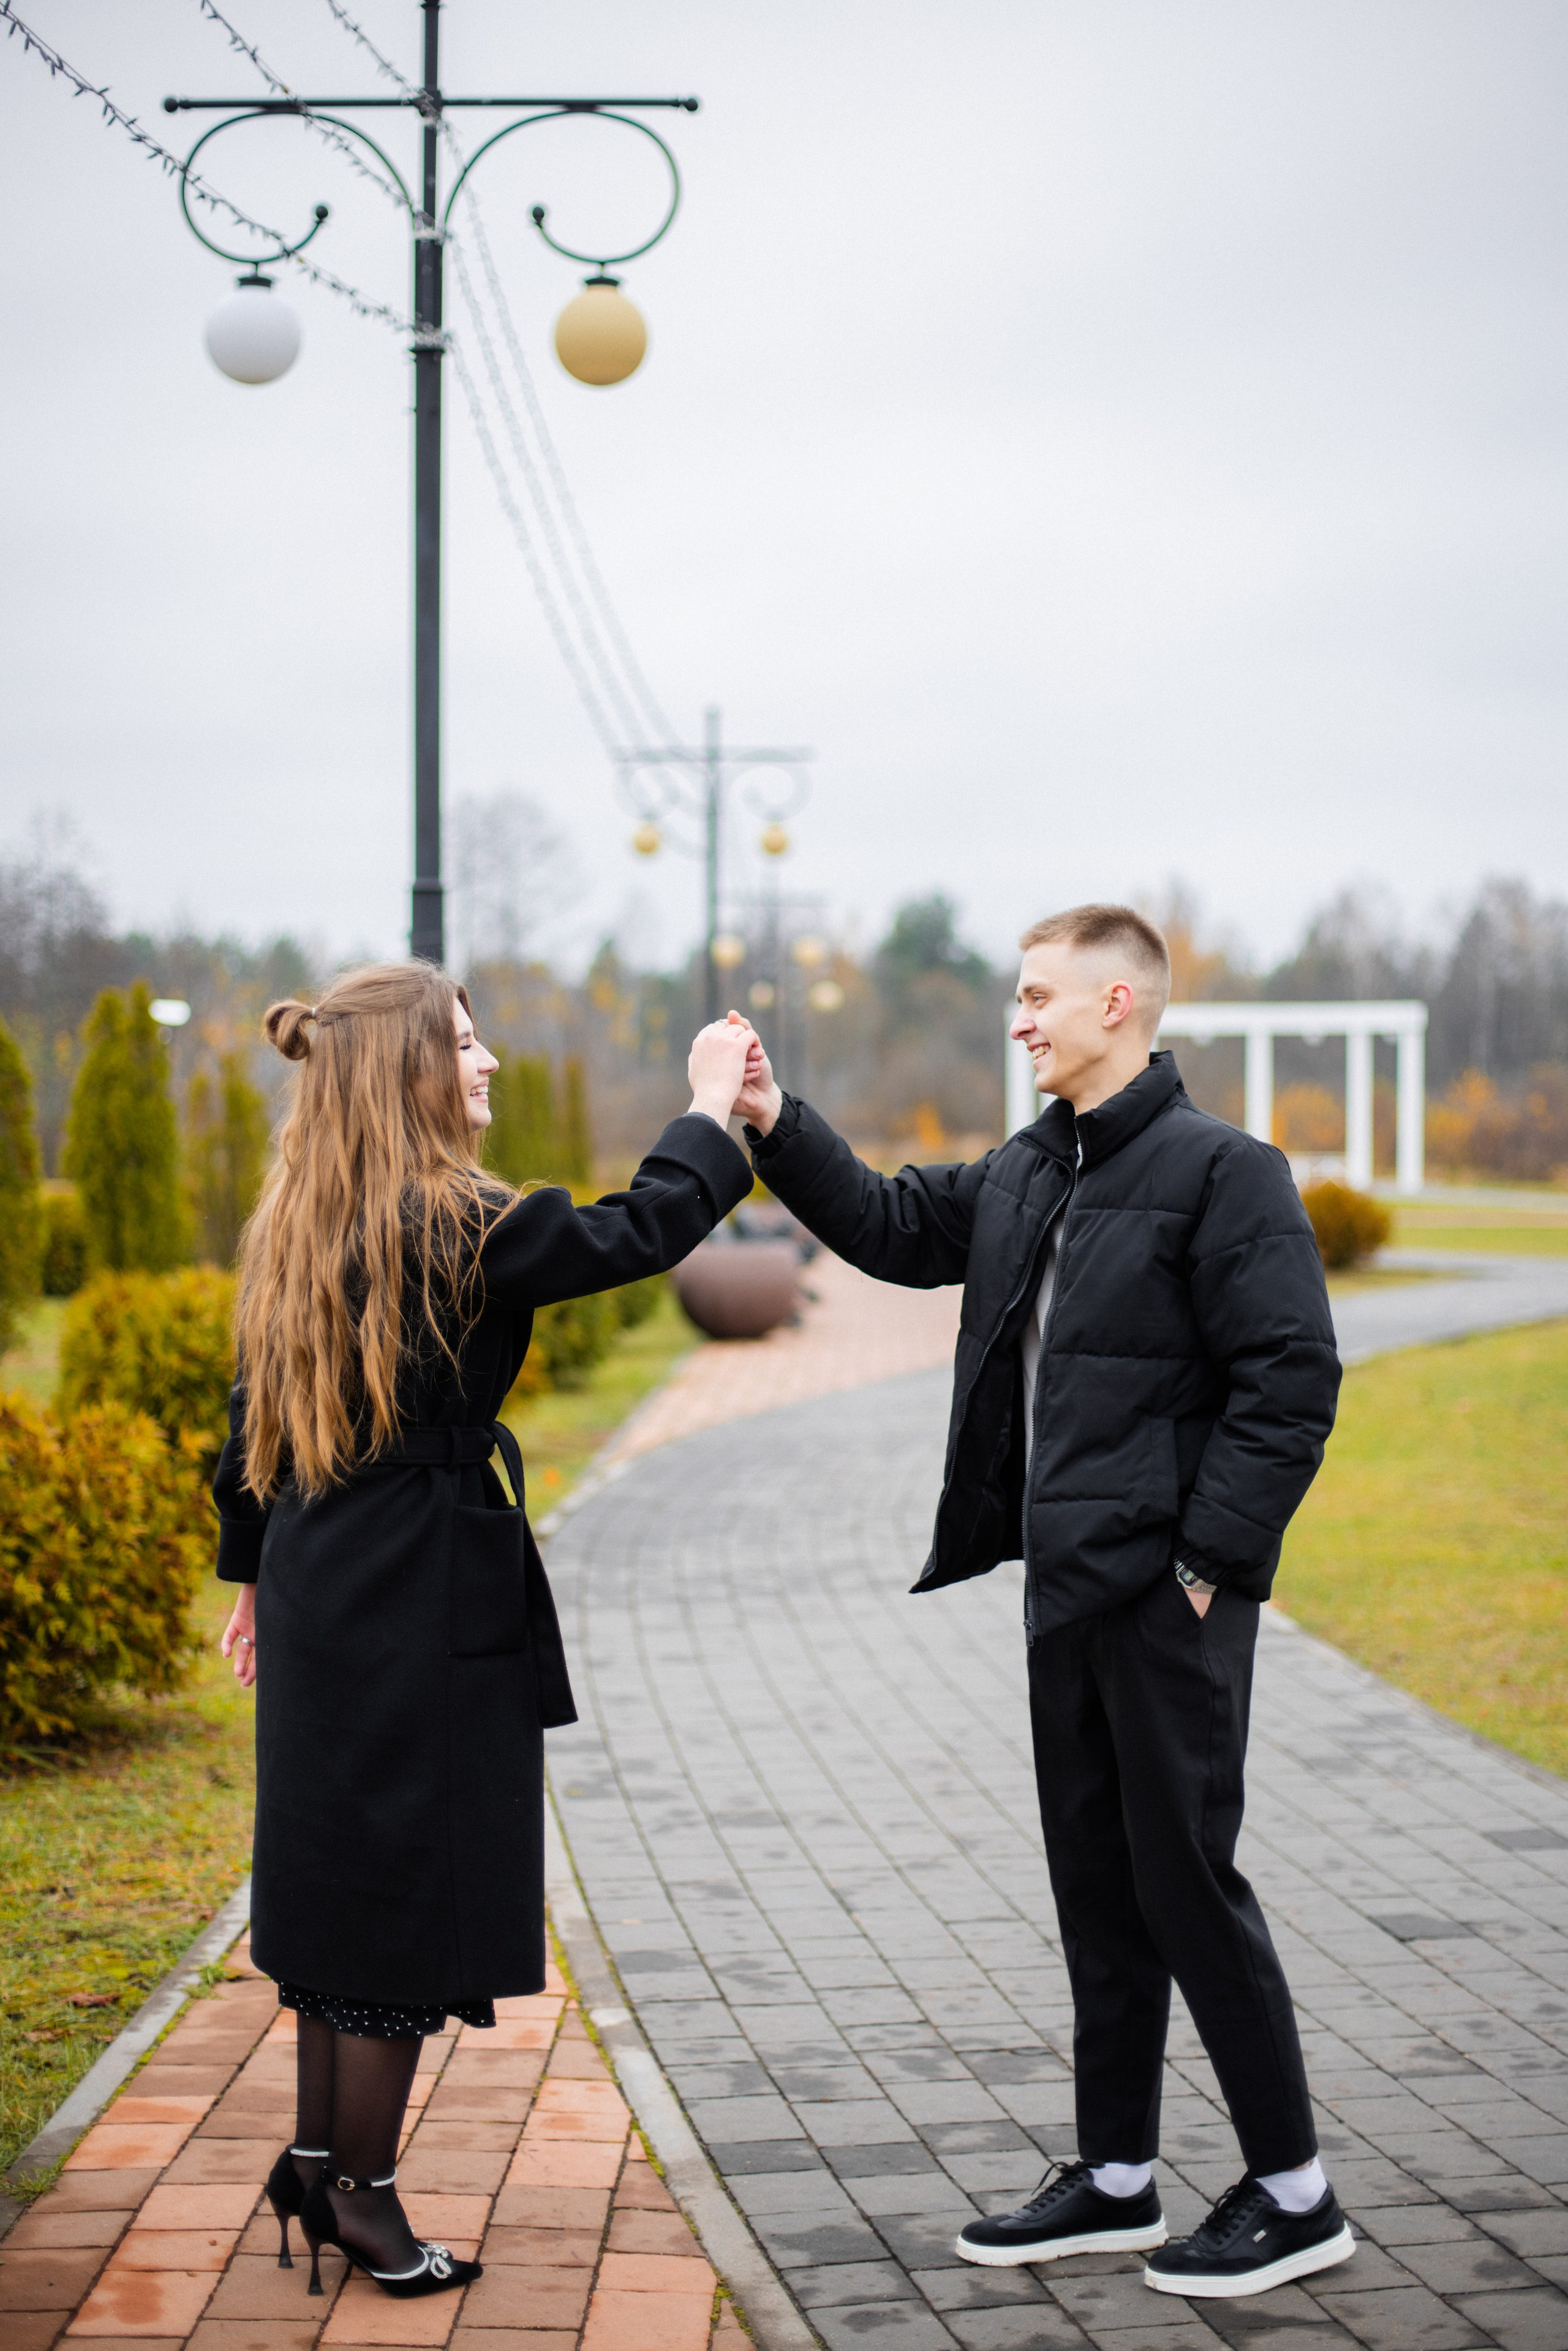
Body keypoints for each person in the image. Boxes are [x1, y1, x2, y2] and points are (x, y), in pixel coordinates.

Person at [728, 904, 1355, 2301]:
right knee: (1097, 1889)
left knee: (1187, 1883)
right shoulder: (1028, 1169)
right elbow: (892, 1223)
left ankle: (1294, 2191)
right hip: (1061, 1592)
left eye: (1035, 996)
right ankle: (1115, 2174)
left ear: (1117, 1001)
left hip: (1166, 1599)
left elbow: (1289, 1384)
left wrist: (1204, 1562)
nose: (1018, 1018)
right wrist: (773, 1116)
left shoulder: (1222, 1173)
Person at [213, 963, 753, 2301]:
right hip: (417, 1583)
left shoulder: (299, 1213)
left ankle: (316, 2164)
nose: (489, 1060)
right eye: (463, 1042)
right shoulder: (455, 1221)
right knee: (399, 1889)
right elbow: (641, 1228)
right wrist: (706, 1107)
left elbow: (248, 1418)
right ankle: (360, 2194)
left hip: (325, 1565)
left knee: (340, 1873)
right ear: (405, 1071)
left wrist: (251, 1575)